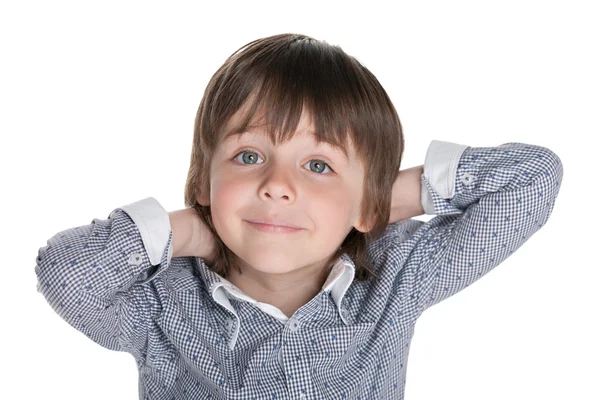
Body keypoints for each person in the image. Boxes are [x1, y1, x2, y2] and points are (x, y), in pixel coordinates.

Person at [35, 33, 564, 399]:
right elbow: (64, 272)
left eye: (318, 165)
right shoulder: (160, 305)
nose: (279, 186)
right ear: (203, 178)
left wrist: (379, 200)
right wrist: (197, 225)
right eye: (249, 157)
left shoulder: (399, 276)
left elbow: (531, 178)